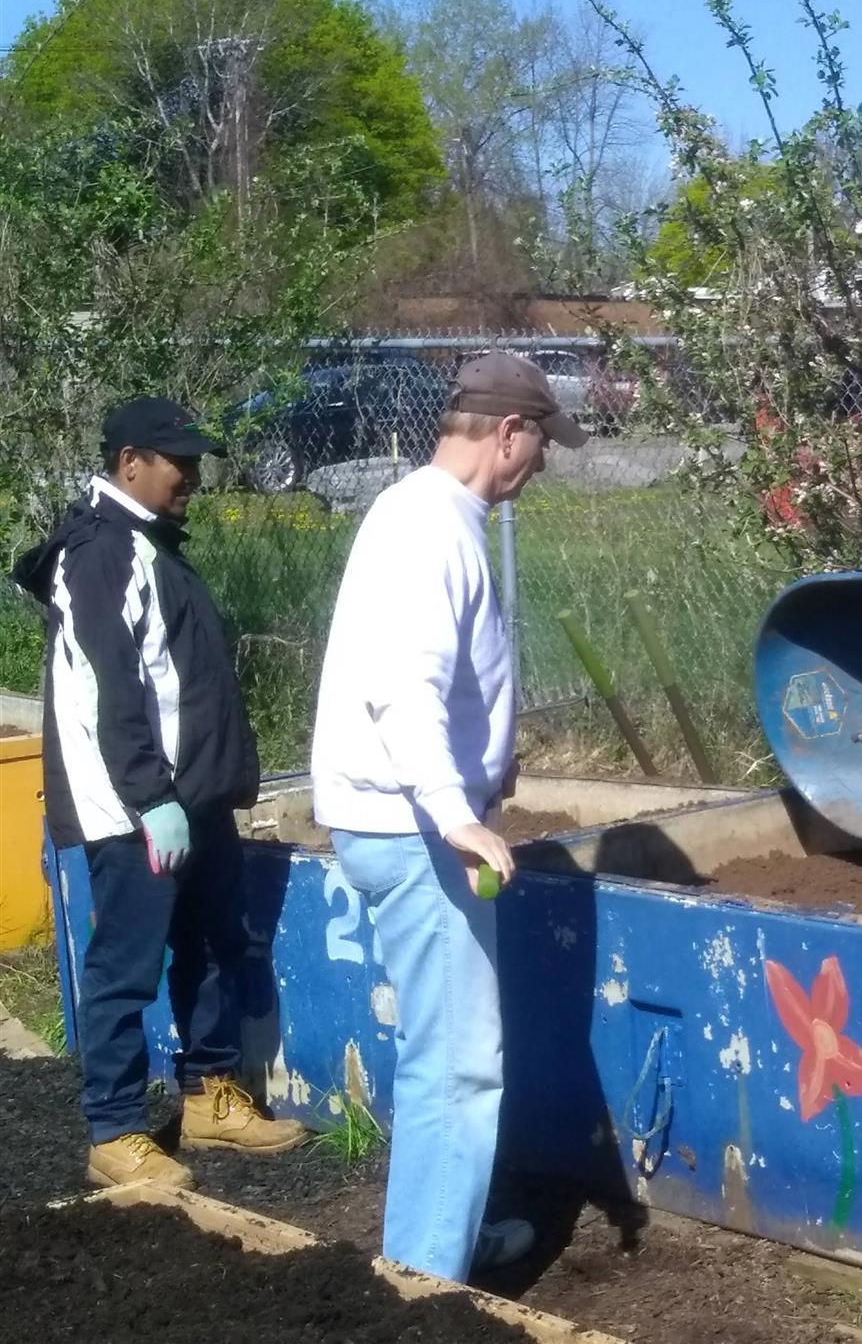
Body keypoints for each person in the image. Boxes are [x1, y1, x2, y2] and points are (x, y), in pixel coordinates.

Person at [311, 352, 585, 1281]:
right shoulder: (432, 526)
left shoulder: (427, 515)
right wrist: (451, 810)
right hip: (415, 829)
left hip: (406, 819)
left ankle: (443, 1236)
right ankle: (425, 1280)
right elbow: (404, 687)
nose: (543, 463)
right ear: (507, 431)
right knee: (458, 1067)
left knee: (444, 1052)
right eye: (542, 441)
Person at [11, 397, 306, 1189]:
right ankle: (113, 1131)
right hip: (135, 810)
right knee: (126, 965)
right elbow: (112, 689)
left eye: (197, 463)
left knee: (214, 944)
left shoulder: (149, 544)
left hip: (192, 798)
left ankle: (211, 1093)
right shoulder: (100, 552)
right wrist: (150, 797)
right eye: (181, 462)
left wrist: (196, 792)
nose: (195, 478)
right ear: (130, 461)